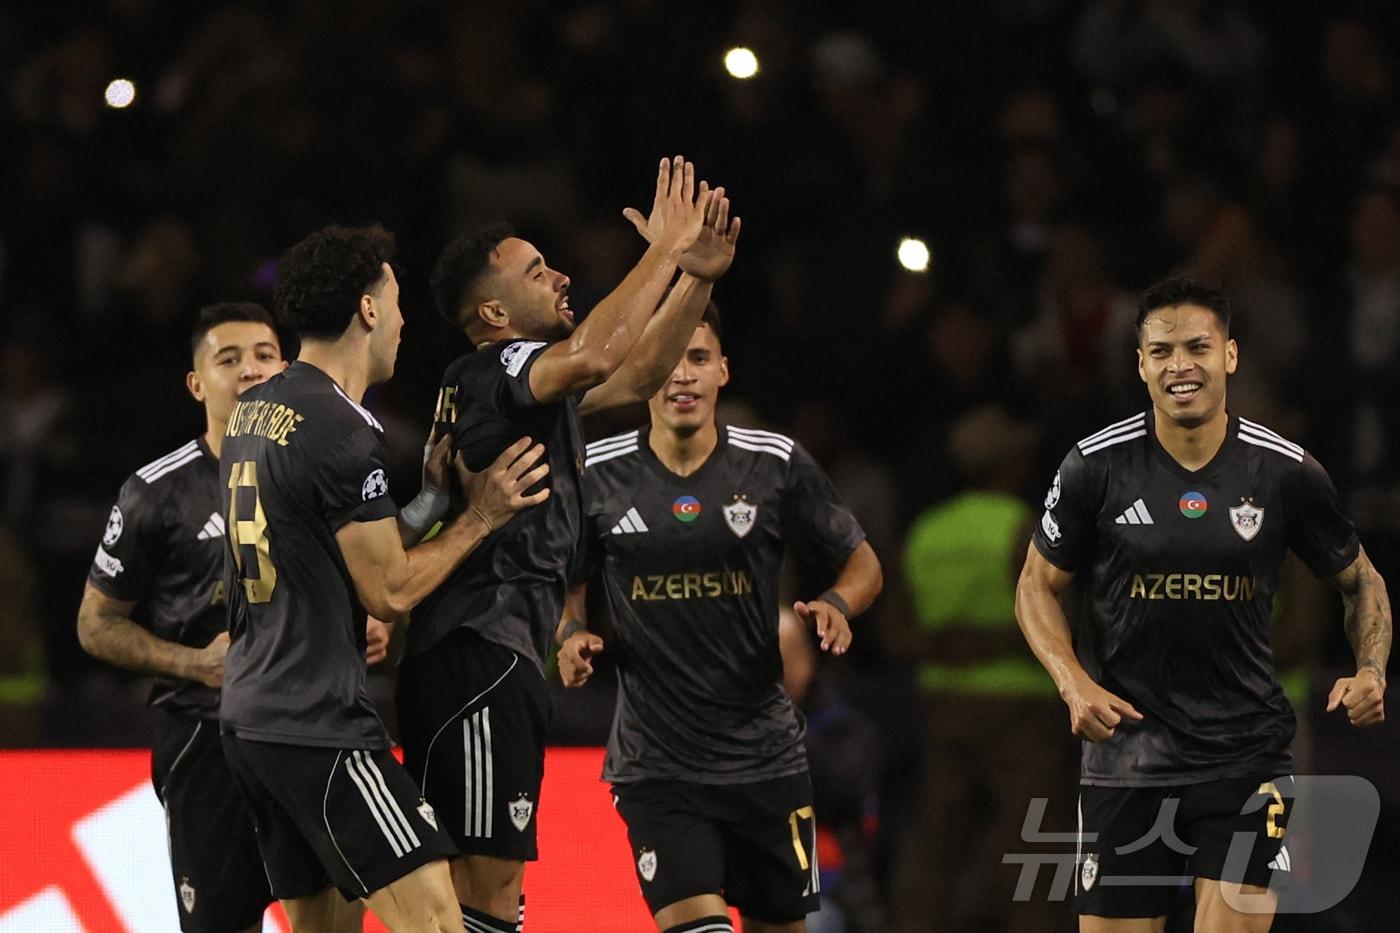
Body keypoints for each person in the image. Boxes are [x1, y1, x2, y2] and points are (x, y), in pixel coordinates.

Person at [397, 155, 736, 933]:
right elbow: (595, 354)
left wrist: (697, 279)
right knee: (484, 887)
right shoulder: (501, 368)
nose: (558, 278)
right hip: (478, 649)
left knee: (484, 889)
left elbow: (637, 368)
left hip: (484, 651)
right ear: (494, 316)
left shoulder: (521, 397)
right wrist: (665, 252)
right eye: (535, 270)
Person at [1015, 277, 1392, 932]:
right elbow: (1035, 585)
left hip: (1245, 755)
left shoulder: (1285, 472)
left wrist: (1372, 668)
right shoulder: (1094, 467)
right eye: (1161, 351)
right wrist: (1072, 681)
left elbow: (1361, 580)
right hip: (1126, 757)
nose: (1180, 365)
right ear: (1140, 364)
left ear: (1231, 355)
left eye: (1197, 346)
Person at [218, 225, 548, 932]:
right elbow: (388, 591)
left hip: (253, 719)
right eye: (395, 300)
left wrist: (428, 503)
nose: (402, 321)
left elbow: (335, 549)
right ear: (368, 310)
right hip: (318, 724)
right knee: (435, 917)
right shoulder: (340, 427)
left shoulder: (257, 409)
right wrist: (479, 516)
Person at [557, 303, 884, 933]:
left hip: (767, 762)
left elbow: (864, 563)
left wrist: (839, 604)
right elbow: (567, 578)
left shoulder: (775, 462)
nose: (682, 376)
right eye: (669, 362)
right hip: (657, 765)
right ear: (643, 372)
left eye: (699, 359)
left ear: (723, 372)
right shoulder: (596, 472)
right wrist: (571, 632)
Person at [78, 303, 294, 933]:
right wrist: (193, 663)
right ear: (197, 384)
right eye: (229, 359)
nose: (251, 370)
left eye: (264, 354)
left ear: (286, 368)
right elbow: (95, 624)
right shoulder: (155, 491)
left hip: (310, 728)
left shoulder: (324, 472)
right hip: (208, 738)